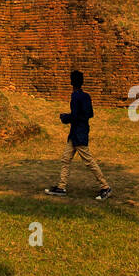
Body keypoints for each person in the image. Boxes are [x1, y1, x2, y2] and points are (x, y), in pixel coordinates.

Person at [44, 70, 112, 200]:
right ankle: (61, 186)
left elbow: (75, 116)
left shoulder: (75, 96)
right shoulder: (86, 96)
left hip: (78, 133)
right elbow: (89, 114)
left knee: (89, 161)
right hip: (78, 132)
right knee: (66, 159)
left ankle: (105, 186)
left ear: (71, 82)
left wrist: (65, 117)